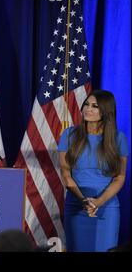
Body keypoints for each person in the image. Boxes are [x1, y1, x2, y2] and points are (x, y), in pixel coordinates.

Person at [58, 90, 128, 252]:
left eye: (95, 106)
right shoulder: (69, 135)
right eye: (86, 104)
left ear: (106, 111)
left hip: (107, 209)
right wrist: (84, 200)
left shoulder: (118, 139)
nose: (88, 109)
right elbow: (66, 175)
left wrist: (98, 202)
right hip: (76, 206)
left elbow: (120, 177)